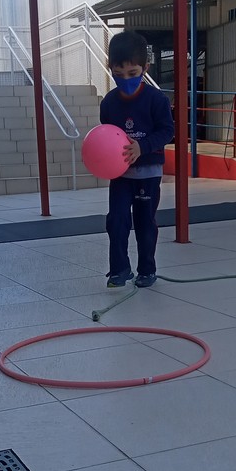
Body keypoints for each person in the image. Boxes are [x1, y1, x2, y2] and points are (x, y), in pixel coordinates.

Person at [100, 31, 174, 288]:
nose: (125, 79)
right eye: (118, 74)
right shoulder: (109, 103)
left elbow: (167, 131)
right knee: (117, 221)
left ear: (145, 68)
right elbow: (106, 136)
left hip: (148, 173)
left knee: (145, 223)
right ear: (110, 68)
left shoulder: (156, 100)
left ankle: (147, 270)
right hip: (121, 176)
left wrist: (142, 147)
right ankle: (119, 270)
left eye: (132, 73)